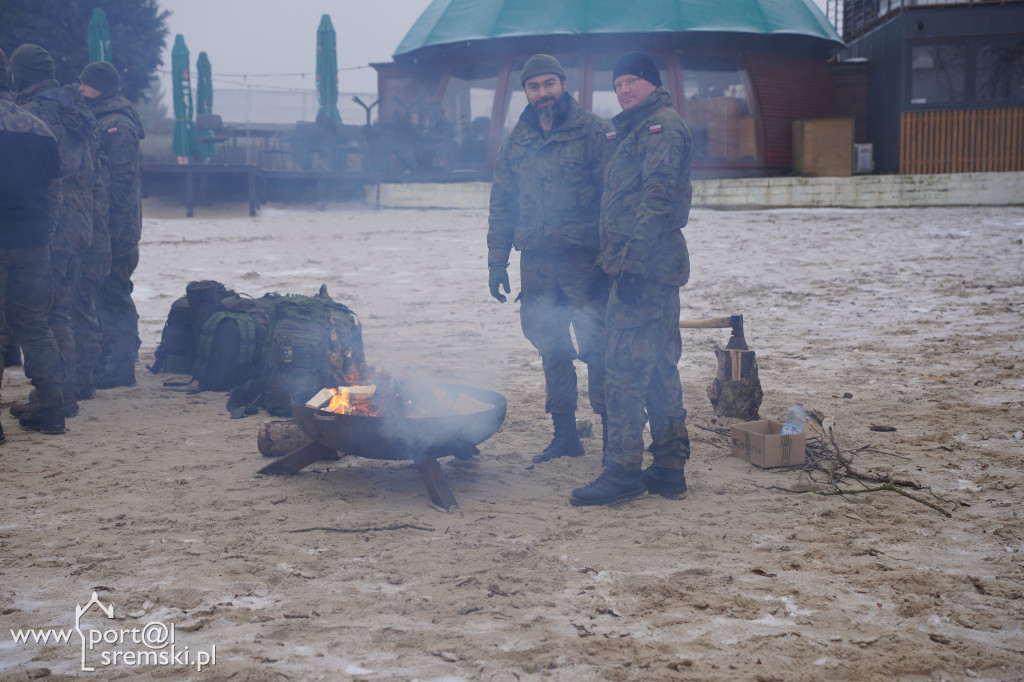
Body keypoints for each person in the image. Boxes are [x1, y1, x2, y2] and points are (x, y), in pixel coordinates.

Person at [570, 52, 694, 506]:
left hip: (642, 270)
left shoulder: (661, 127)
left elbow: (658, 199)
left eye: (633, 81)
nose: (623, 89)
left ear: (652, 84)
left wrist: (634, 265)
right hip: (647, 268)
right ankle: (668, 467)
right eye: (618, 82)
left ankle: (622, 470)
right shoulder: (634, 130)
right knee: (660, 367)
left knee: (623, 368)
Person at [487, 55, 616, 465]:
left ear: (563, 84)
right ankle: (565, 436)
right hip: (538, 264)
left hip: (586, 263)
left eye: (549, 84)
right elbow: (502, 203)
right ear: (525, 92)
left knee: (598, 346)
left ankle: (615, 438)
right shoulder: (518, 139)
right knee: (552, 347)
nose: (542, 93)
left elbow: (615, 199)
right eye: (534, 87)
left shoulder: (595, 132)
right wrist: (496, 261)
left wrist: (614, 257)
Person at [9, 43, 95, 420]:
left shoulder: (30, 115)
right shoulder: (78, 108)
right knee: (62, 312)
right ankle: (70, 387)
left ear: (19, 75)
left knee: (41, 317)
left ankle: (59, 397)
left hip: (44, 225)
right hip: (81, 222)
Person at [0, 47, 67, 437]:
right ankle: (53, 409)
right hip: (33, 242)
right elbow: (54, 195)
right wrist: (44, 236)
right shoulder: (40, 129)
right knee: (36, 326)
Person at [78, 60, 145, 389]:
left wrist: (109, 224)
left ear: (99, 86)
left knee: (115, 291)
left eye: (86, 84)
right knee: (106, 291)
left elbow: (120, 181)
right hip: (107, 224)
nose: (80, 88)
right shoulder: (103, 117)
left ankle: (121, 365)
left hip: (117, 226)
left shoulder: (117, 125)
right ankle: (112, 359)